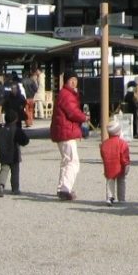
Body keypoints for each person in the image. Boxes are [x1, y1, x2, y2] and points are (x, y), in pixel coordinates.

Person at [50, 71, 88, 200]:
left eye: (75, 80)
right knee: (72, 162)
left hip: (63, 131)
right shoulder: (67, 95)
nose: (74, 82)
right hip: (66, 132)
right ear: (66, 81)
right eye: (71, 79)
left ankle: (61, 188)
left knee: (66, 161)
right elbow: (72, 112)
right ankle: (65, 189)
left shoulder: (65, 93)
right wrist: (84, 117)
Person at [0, 100, 29, 199]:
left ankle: (0, 184)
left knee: (4, 170)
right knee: (15, 172)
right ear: (15, 119)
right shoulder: (17, 130)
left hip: (3, 154)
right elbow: (25, 140)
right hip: (14, 154)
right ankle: (15, 188)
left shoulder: (0, 130)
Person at [100, 120, 131, 206]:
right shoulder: (122, 143)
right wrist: (127, 164)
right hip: (120, 167)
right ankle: (121, 199)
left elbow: (103, 155)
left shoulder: (104, 144)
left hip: (109, 166)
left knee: (110, 181)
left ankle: (110, 197)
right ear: (119, 132)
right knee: (121, 182)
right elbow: (125, 156)